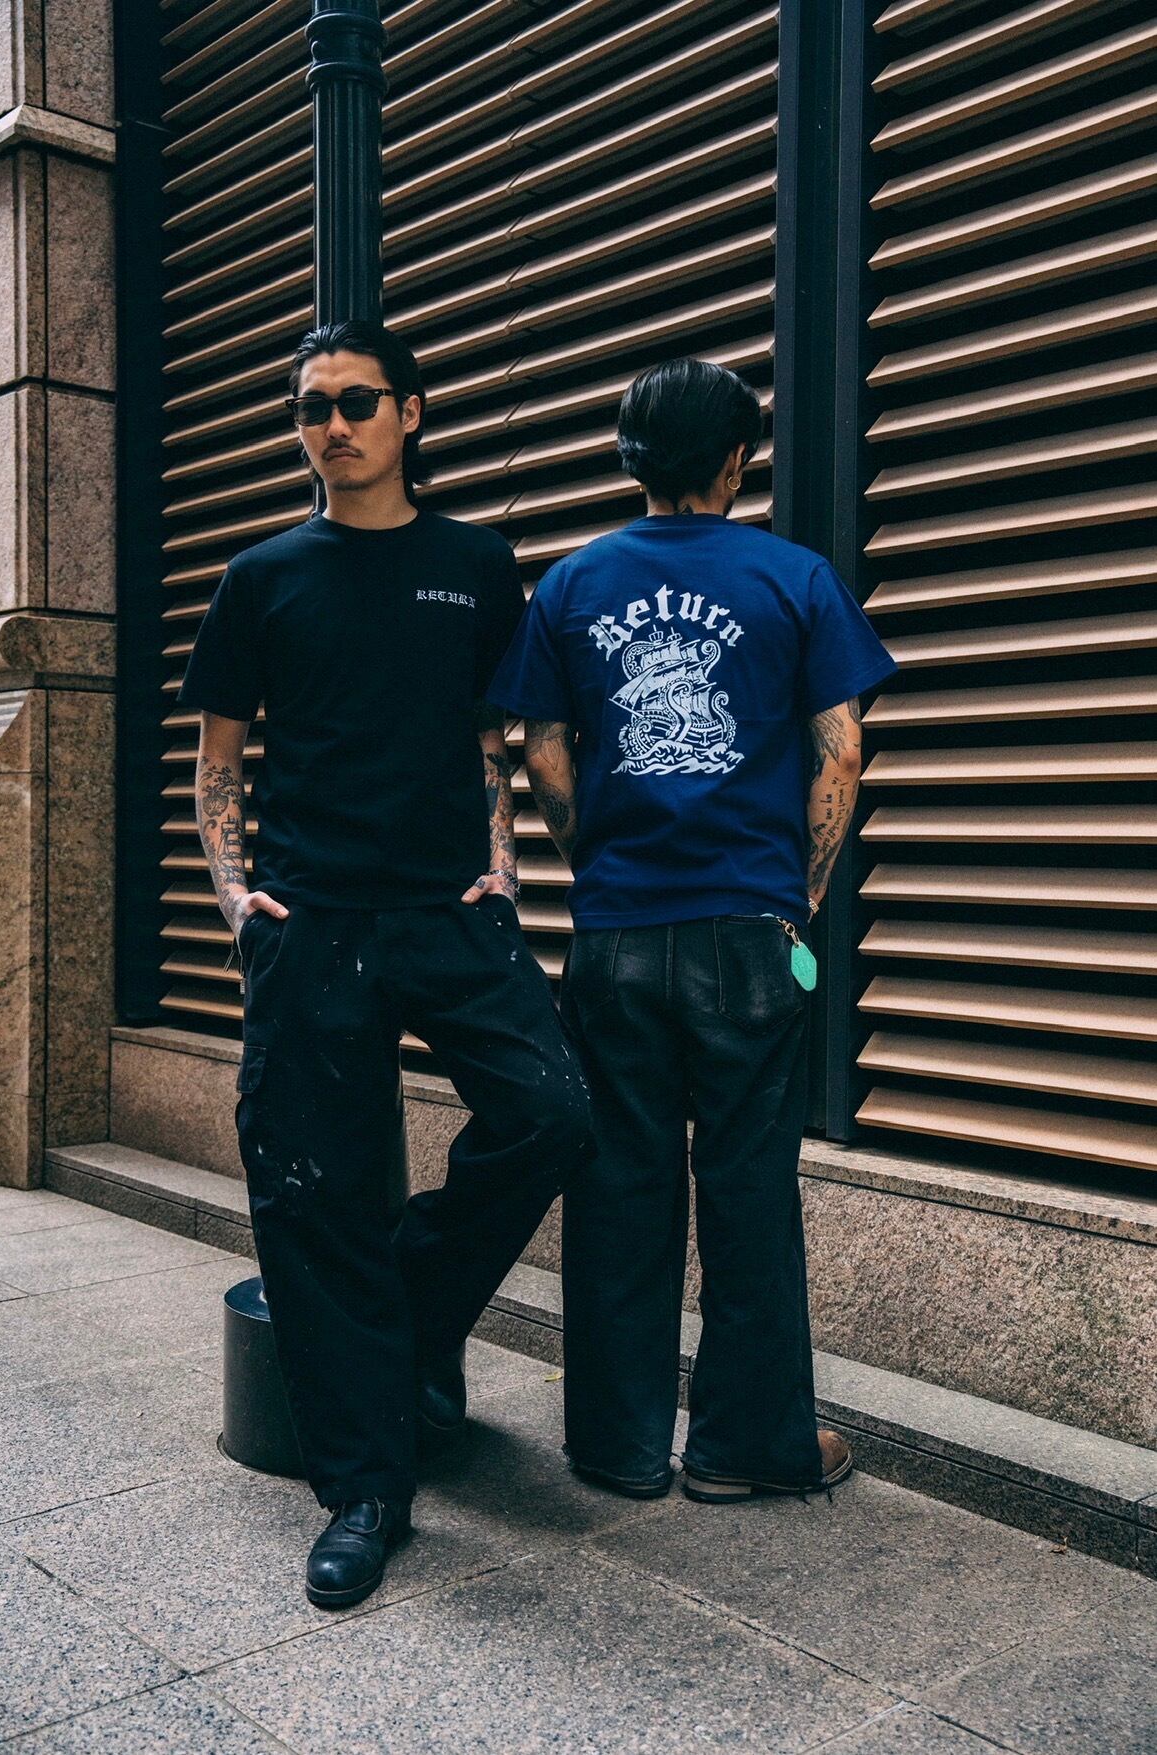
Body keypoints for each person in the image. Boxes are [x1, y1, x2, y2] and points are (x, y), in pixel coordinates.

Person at [178, 321, 592, 1607]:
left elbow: (490, 739)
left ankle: (403, 1312)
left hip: (447, 910)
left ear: (412, 413)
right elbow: (218, 762)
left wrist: (506, 868)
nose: (334, 426)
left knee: (552, 1110)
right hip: (310, 922)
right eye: (313, 407)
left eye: (358, 402)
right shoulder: (261, 577)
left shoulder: (475, 565)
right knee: (318, 1194)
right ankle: (366, 1491)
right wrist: (237, 901)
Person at [489, 357, 899, 1503]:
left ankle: (618, 1448)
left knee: (620, 1190)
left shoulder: (572, 584)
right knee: (749, 1188)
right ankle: (744, 1449)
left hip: (618, 931)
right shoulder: (795, 578)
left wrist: (598, 860)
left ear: (631, 457)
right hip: (748, 928)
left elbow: (541, 750)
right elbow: (842, 751)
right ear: (736, 459)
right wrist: (799, 893)